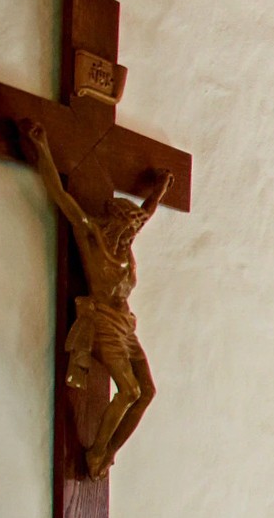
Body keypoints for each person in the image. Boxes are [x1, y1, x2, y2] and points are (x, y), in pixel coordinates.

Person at [20, 118, 172, 478]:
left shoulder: (126, 246)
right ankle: (99, 450)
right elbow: (61, 197)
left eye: (134, 229)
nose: (132, 232)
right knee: (129, 390)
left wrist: (161, 189)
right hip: (101, 321)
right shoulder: (92, 237)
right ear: (114, 221)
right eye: (128, 226)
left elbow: (146, 213)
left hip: (124, 326)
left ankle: (108, 452)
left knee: (147, 392)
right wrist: (42, 148)